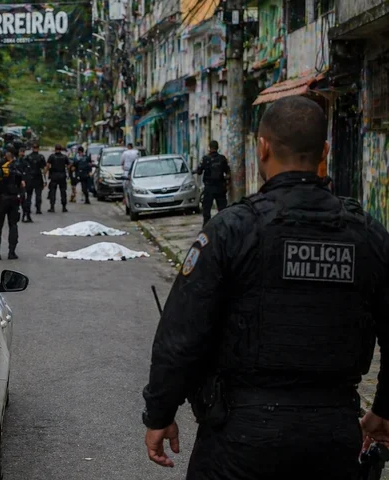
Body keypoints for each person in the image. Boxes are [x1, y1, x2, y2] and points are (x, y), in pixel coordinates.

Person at [141, 96, 389, 480]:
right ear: (324, 151)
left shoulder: (231, 230)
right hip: (333, 433)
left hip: (240, 438)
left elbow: (181, 335)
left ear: (262, 147)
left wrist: (160, 413)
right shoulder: (368, 235)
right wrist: (382, 410)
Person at [0, 149, 25, 260]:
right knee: (13, 225)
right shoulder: (17, 168)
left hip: (0, 200)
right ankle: (12, 252)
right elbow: (22, 183)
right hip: (14, 200)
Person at [197, 140, 231, 225]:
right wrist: (226, 182)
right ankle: (224, 227)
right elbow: (228, 173)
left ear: (209, 148)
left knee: (206, 212)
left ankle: (207, 229)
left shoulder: (205, 159)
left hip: (209, 188)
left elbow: (199, 171)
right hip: (220, 188)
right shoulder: (222, 158)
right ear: (217, 148)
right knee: (223, 210)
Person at [23, 144, 47, 220]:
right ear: (38, 148)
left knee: (29, 195)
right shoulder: (41, 157)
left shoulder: (28, 157)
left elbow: (24, 168)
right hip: (38, 177)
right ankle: (38, 209)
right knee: (38, 194)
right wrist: (45, 179)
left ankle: (28, 209)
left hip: (29, 178)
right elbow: (44, 169)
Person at [46, 144, 70, 213]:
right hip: (62, 176)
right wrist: (68, 173)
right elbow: (68, 166)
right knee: (63, 192)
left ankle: (52, 207)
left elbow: (47, 165)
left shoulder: (52, 156)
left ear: (55, 149)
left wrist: (46, 172)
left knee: (52, 191)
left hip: (54, 176)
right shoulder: (64, 157)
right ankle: (64, 207)